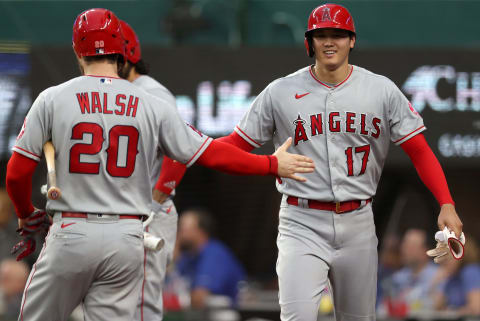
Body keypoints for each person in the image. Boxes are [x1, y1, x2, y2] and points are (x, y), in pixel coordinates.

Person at [5, 8, 314, 321]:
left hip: (72, 229)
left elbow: (16, 174)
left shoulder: (53, 98)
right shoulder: (151, 103)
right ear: (121, 50)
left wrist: (26, 214)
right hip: (126, 236)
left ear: (76, 49)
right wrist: (269, 164)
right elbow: (210, 153)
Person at [216, 3, 463, 320]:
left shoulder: (380, 90)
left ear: (352, 40)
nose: (329, 41)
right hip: (301, 220)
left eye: (338, 34)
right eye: (321, 35)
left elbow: (420, 151)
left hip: (358, 220)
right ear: (310, 42)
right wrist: (193, 149)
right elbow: (235, 146)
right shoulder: (280, 92)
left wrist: (446, 203)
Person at [118, 20, 187, 321]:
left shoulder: (152, 93)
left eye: (109, 58)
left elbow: (178, 154)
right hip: (122, 213)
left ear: (127, 57)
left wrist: (155, 204)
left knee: (143, 305)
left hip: (149, 213)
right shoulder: (114, 92)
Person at [175, 208, 246, 308]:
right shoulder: (188, 257)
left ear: (200, 231)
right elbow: (170, 287)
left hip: (226, 313)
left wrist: (174, 300)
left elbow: (199, 298)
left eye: (184, 229)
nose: (179, 233)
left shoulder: (214, 253)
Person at [383, 229, 439, 314]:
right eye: (404, 245)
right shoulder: (398, 277)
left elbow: (437, 305)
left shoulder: (438, 276)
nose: (404, 250)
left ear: (425, 251)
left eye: (410, 246)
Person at [433, 235, 480, 316]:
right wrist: (437, 283)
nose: (444, 261)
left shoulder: (470, 272)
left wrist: (454, 312)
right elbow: (437, 307)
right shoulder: (451, 277)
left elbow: (476, 308)